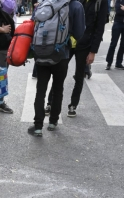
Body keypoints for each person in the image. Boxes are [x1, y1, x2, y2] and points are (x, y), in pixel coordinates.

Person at [28, 0, 85, 136]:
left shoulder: (44, 4)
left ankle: (37, 126)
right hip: (62, 54)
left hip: (41, 53)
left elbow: (32, 24)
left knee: (40, 90)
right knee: (58, 88)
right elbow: (79, 33)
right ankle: (53, 122)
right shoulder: (76, 6)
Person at [65, 0, 108, 116]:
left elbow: (100, 28)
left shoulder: (101, 2)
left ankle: (73, 105)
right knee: (59, 73)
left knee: (79, 76)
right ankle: (50, 102)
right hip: (67, 42)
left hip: (85, 44)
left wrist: (93, 51)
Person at [0, 0, 16, 113]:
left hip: (3, 48)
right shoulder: (0, 14)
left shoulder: (5, 15)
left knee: (0, 75)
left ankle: (0, 102)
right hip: (0, 48)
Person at [106, 0, 124, 69]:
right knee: (113, 43)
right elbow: (118, 10)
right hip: (118, 23)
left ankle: (118, 63)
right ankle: (109, 62)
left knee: (123, 45)